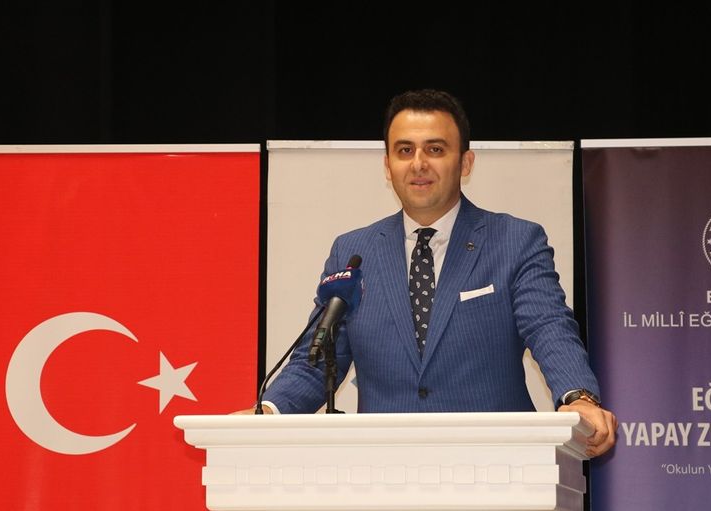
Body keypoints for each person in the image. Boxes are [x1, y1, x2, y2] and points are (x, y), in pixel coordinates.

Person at [235, 89, 617, 457]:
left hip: (499, 465)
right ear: (388, 165)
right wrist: (268, 411)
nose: (418, 164)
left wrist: (578, 397)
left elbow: (549, 327)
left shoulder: (515, 241)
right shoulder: (352, 253)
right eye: (405, 150)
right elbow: (317, 360)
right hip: (384, 470)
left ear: (465, 163)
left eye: (435, 149)